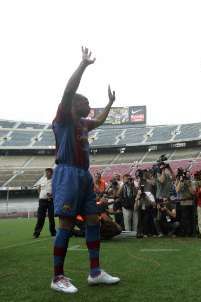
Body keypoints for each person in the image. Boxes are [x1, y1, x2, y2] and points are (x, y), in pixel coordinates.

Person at [50, 47, 119, 294]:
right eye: (86, 102)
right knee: (67, 223)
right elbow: (68, 91)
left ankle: (95, 272)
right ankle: (57, 277)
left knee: (92, 220)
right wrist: (83, 65)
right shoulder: (64, 118)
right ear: (73, 104)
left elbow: (99, 120)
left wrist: (110, 103)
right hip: (67, 173)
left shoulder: (83, 124)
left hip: (83, 175)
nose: (89, 106)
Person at [33, 168, 56, 238]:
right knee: (40, 217)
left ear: (51, 173)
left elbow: (57, 190)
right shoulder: (42, 179)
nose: (46, 173)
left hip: (50, 201)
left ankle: (53, 233)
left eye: (48, 172)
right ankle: (36, 233)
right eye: (46, 172)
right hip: (42, 201)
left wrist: (52, 195)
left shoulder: (55, 180)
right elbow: (38, 187)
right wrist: (40, 195)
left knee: (51, 217)